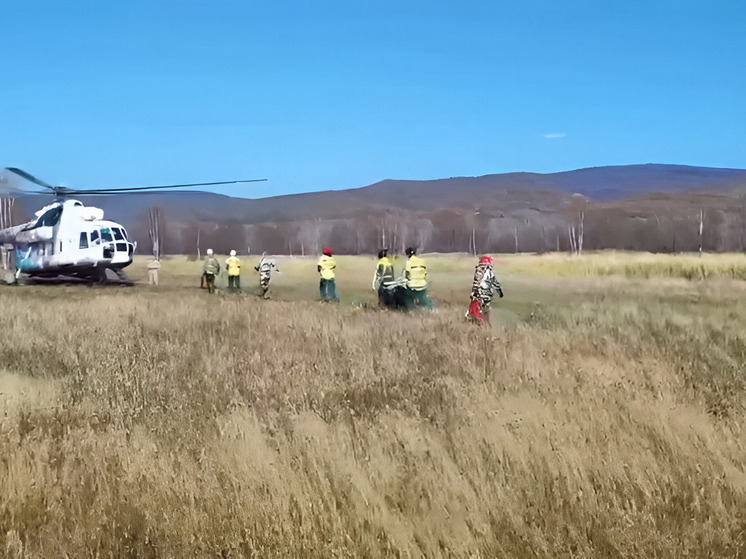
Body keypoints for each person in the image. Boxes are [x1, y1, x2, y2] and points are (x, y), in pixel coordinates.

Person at [467, 256, 503, 325]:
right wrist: (499, 291)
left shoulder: (480, 270)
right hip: (488, 296)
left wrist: (474, 293)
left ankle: (478, 324)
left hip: (479, 295)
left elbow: (476, 282)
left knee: (475, 311)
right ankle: (487, 326)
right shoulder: (490, 271)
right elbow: (495, 282)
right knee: (486, 311)